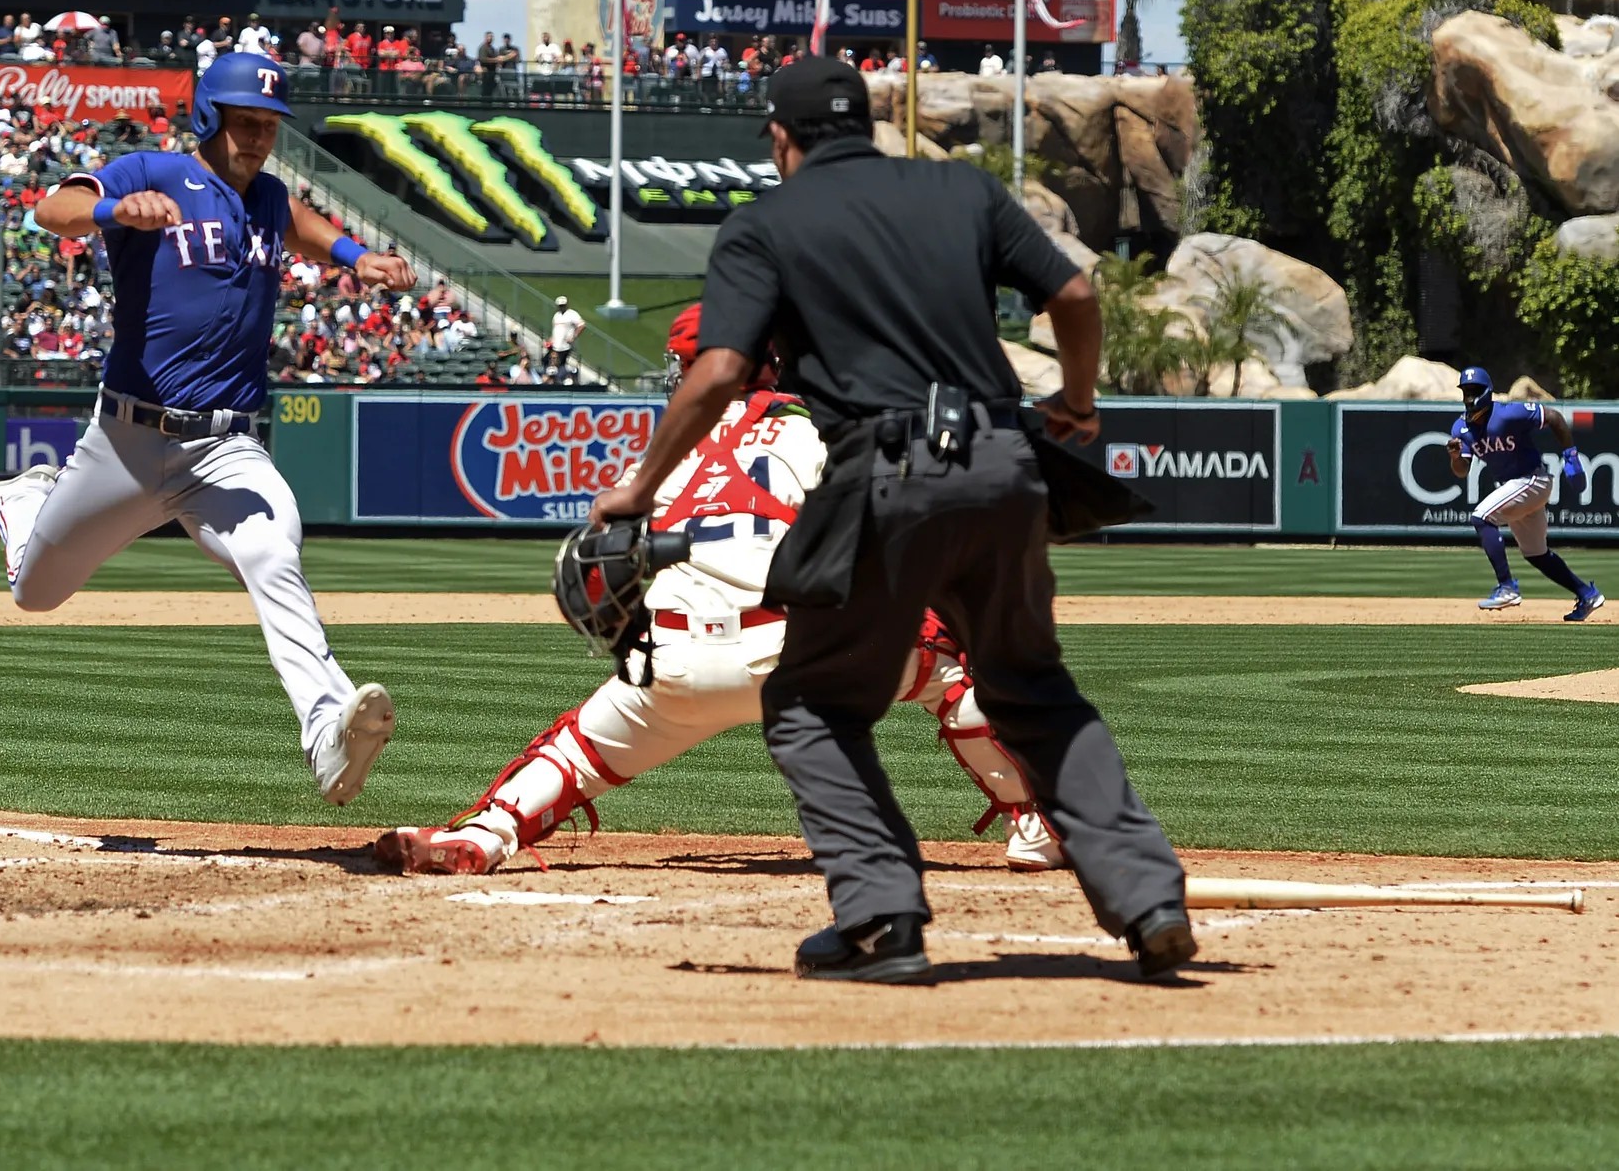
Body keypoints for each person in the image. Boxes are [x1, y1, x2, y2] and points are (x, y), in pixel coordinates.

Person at [589, 56, 1192, 984]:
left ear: (783, 140)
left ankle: (882, 920)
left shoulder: (766, 224)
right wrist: (1078, 404)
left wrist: (638, 488)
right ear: (862, 127)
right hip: (1005, 462)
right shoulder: (961, 190)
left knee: (813, 704)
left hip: (887, 473)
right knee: (1031, 687)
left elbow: (716, 372)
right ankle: (1150, 900)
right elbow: (1074, 295)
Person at [375, 305, 1065, 876]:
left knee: (574, 750)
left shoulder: (668, 448)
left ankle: (487, 833)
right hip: (801, 656)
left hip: (672, 661)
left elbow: (605, 560)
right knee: (947, 667)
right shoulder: (821, 423)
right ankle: (1034, 825)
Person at [0, 52, 416, 804]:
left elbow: (293, 220)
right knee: (36, 595)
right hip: (129, 441)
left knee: (275, 551)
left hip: (226, 448)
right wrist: (115, 210)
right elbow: (50, 211)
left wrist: (353, 254)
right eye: (244, 121)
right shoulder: (155, 171)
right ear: (209, 116)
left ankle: (327, 729)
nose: (256, 137)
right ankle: (23, 506)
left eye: (268, 124)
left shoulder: (267, 197)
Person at [1449, 366, 1602, 619]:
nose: (1469, 397)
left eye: (1474, 391)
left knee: (1481, 517)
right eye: (1465, 391)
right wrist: (1455, 456)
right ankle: (1587, 594)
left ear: (1486, 392)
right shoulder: (1461, 428)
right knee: (1536, 553)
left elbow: (1553, 417)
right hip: (1517, 487)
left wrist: (1570, 455)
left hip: (1532, 480)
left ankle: (1507, 587)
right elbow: (1462, 471)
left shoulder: (1508, 414)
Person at [547, 294, 585, 383]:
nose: (561, 307)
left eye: (563, 305)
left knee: (562, 366)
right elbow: (554, 330)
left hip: (565, 346)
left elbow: (582, 325)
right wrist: (551, 339)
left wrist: (574, 336)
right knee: (552, 364)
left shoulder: (572, 314)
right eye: (560, 306)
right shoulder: (556, 316)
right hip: (556, 346)